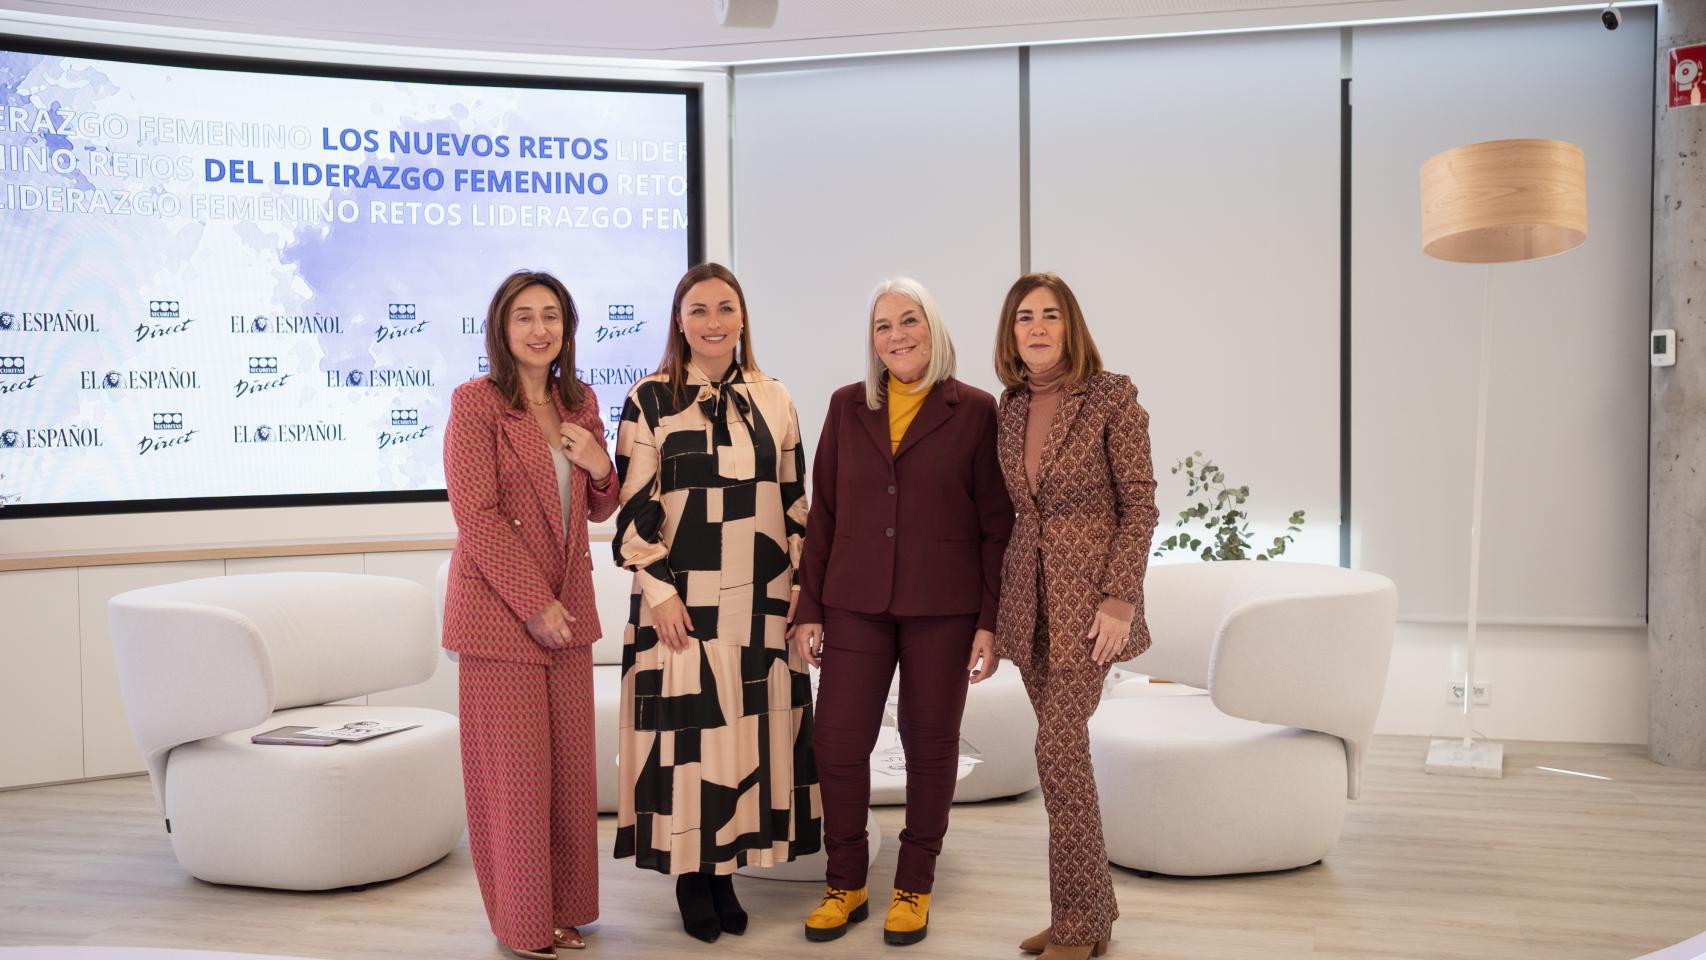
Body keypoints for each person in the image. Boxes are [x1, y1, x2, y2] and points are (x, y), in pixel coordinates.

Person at [792, 277, 1012, 946]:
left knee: (929, 744)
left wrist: (989, 619)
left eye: (909, 320)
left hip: (943, 608)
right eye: (883, 326)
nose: (897, 336)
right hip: (854, 601)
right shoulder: (845, 406)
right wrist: (809, 607)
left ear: (934, 328)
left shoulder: (974, 410)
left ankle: (914, 884)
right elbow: (824, 513)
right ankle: (847, 881)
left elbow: (995, 524)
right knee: (837, 742)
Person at [611, 262, 821, 943]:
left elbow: (796, 502)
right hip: (682, 602)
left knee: (745, 740)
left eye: (725, 307)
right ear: (678, 320)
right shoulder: (649, 399)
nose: (712, 321)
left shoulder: (775, 396)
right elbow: (634, 507)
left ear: (742, 318)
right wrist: (660, 592)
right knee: (689, 743)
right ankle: (689, 878)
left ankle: (725, 871)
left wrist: (803, 593)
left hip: (762, 597)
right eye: (698, 309)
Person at [443, 270, 619, 959]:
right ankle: (523, 924)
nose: (540, 329)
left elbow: (601, 503)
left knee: (571, 778)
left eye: (552, 316)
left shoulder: (582, 403)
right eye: (525, 317)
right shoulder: (477, 402)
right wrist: (533, 604)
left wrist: (601, 464)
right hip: (501, 616)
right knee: (516, 783)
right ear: (502, 329)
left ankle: (567, 908)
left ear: (567, 328)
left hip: (569, 612)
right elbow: (476, 516)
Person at [991, 273, 1159, 960]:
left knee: (1056, 755)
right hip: (1027, 606)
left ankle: (1081, 926)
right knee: (1067, 758)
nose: (1036, 327)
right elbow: (1010, 511)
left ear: (1071, 326)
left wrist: (1120, 601)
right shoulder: (1007, 406)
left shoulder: (1112, 396)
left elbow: (1140, 505)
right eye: (1023, 316)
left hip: (1091, 609)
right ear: (1011, 333)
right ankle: (1088, 909)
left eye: (1049, 315)